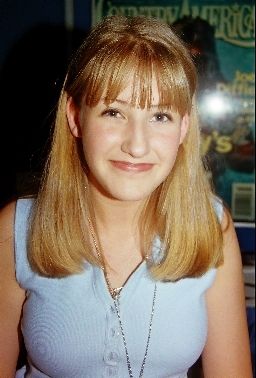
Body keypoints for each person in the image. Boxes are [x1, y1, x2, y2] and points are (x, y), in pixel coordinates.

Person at [0, 15, 252, 378]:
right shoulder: (17, 229)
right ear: (75, 117)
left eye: (160, 116)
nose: (136, 145)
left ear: (183, 127)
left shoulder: (212, 228)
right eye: (113, 112)